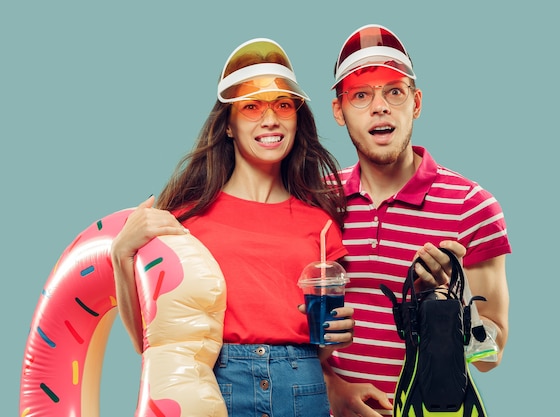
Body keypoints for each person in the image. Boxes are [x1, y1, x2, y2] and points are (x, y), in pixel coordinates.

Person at [111, 38, 354, 417]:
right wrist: (119, 254)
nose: (270, 119)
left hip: (301, 384)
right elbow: (150, 341)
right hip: (216, 382)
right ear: (228, 125)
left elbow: (320, 348)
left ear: (296, 119)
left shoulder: (321, 225)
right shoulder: (185, 220)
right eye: (251, 107)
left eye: (283, 105)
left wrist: (334, 338)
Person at [321, 24, 512, 416]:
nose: (380, 106)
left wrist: (452, 299)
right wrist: (332, 391)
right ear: (338, 111)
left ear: (416, 103)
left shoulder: (473, 206)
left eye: (394, 91)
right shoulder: (316, 199)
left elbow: (491, 353)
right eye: (361, 95)